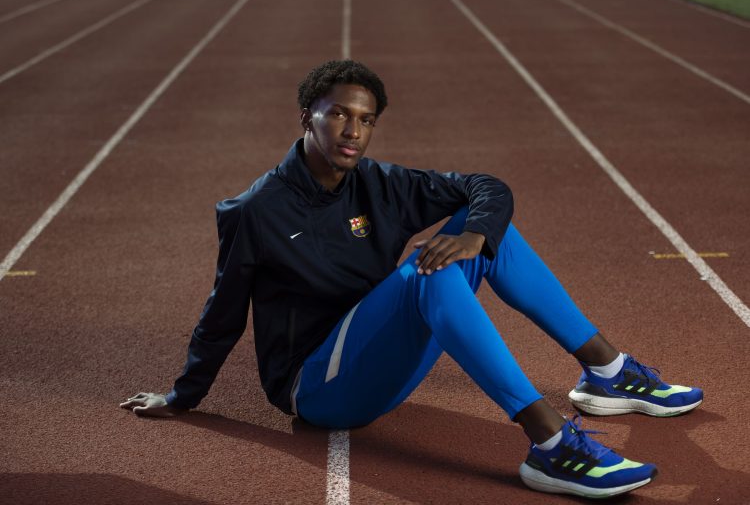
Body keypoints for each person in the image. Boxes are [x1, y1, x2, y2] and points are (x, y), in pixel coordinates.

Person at [121, 59, 703, 499]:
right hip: (319, 387)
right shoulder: (258, 210)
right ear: (307, 116)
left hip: (380, 361)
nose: (353, 131)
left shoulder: (378, 183)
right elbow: (223, 311)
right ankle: (549, 443)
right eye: (339, 114)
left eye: (366, 119)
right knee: (432, 269)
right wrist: (183, 395)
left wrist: (477, 234)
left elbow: (488, 186)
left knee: (481, 230)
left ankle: (608, 372)